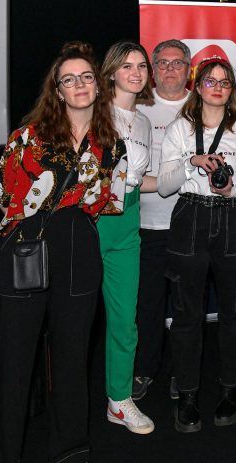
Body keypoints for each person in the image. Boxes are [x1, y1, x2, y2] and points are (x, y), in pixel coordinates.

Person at [0, 41, 127, 463]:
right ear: (58, 89)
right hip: (25, 248)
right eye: (69, 79)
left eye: (87, 76)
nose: (80, 85)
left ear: (98, 84)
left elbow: (112, 202)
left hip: (78, 248)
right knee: (15, 358)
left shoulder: (113, 144)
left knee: (71, 358)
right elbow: (3, 196)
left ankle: (71, 451)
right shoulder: (27, 137)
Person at [158, 57, 236, 431]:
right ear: (198, 86)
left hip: (233, 217)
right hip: (189, 216)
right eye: (210, 81)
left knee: (234, 313)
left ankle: (230, 391)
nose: (218, 87)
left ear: (232, 89)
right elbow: (163, 186)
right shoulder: (180, 128)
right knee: (187, 314)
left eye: (225, 81)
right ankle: (188, 395)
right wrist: (193, 162)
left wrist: (234, 189)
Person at [98, 40, 155, 434]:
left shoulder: (145, 121)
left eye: (141, 65)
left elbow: (138, 181)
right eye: (127, 65)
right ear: (112, 71)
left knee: (124, 319)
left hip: (127, 220)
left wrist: (188, 175)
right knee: (76, 319)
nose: (136, 72)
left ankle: (119, 400)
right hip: (89, 219)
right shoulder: (93, 111)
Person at [133, 39, 192, 402]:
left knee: (187, 307)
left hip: (189, 224)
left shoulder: (201, 105)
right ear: (153, 69)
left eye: (178, 63)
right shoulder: (137, 105)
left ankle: (184, 374)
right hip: (144, 225)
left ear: (189, 69)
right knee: (147, 305)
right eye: (163, 63)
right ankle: (144, 370)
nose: (170, 69)